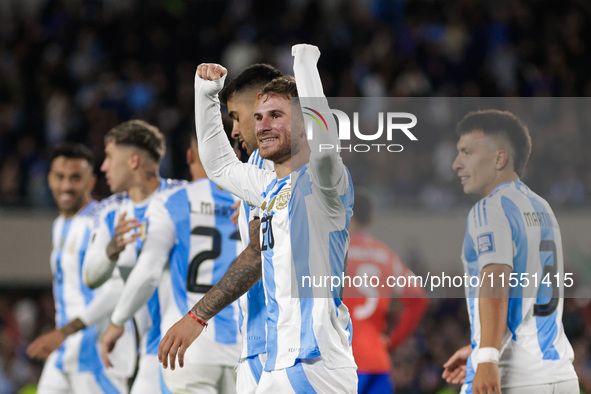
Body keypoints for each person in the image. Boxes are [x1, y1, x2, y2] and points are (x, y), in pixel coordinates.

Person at [159, 44, 358, 392]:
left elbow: (324, 140)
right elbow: (219, 166)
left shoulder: (325, 181)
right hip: (275, 362)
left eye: (277, 116)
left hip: (317, 362)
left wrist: (305, 63)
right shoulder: (266, 185)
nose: (262, 126)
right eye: (258, 117)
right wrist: (205, 94)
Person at [442, 110, 579, 393]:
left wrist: (488, 357)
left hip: (511, 378)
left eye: (466, 152)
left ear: (499, 158)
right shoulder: (541, 207)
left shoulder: (489, 209)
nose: (456, 164)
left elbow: (495, 283)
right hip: (559, 376)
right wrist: (478, 346)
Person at [99, 133, 241, 393]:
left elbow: (148, 272)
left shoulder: (172, 201)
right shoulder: (250, 202)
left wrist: (117, 322)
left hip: (187, 347)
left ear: (190, 155)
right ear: (237, 152)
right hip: (242, 350)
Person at [83, 120, 184, 393]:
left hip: (194, 339)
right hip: (151, 350)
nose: (103, 167)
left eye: (109, 157)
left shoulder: (182, 198)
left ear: (133, 160)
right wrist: (110, 250)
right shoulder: (110, 213)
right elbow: (90, 276)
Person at [27, 143, 135, 393]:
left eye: (75, 178)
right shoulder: (59, 225)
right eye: (60, 177)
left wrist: (62, 332)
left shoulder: (100, 222)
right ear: (49, 179)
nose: (66, 186)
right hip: (65, 352)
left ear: (90, 181)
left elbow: (116, 290)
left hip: (96, 357)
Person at [219, 63, 281, 392]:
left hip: (272, 343)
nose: (233, 130)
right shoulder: (283, 163)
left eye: (233, 116)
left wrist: (197, 316)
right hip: (263, 340)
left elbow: (257, 254)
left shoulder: (266, 160)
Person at [342, 188, 429, 394]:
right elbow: (419, 299)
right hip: (378, 360)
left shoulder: (334, 251)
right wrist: (393, 341)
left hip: (342, 359)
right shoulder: (385, 255)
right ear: (371, 219)